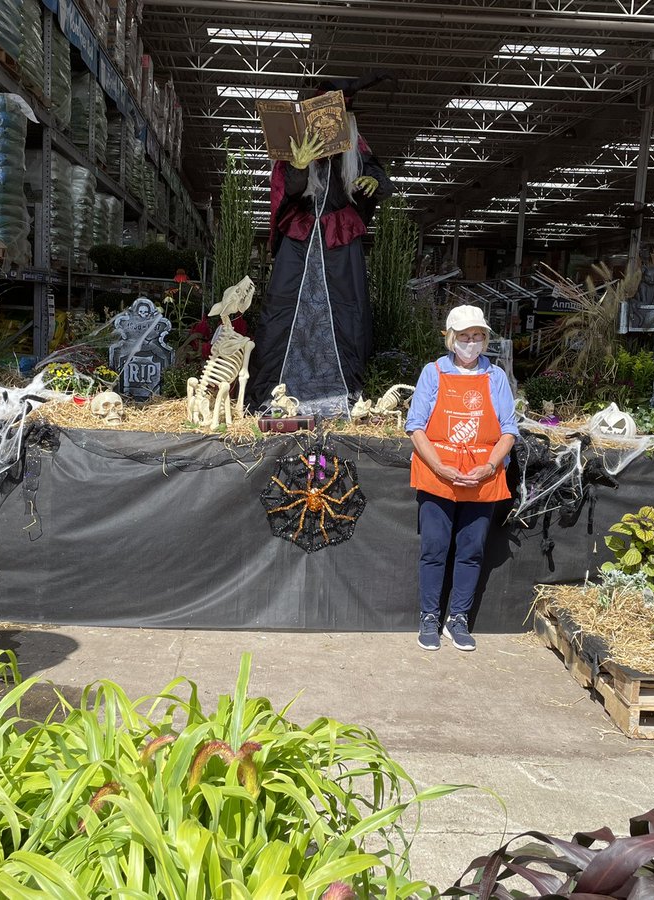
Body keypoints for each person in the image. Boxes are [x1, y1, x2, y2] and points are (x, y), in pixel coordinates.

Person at [248, 72, 396, 418]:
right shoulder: (294, 151)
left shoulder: (357, 149)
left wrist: (371, 182)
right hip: (300, 240)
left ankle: (339, 391)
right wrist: (299, 166)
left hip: (338, 242)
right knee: (284, 309)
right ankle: (277, 391)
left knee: (346, 310)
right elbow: (287, 192)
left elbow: (382, 179)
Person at [404, 306, 519, 651]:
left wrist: (490, 466)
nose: (472, 342)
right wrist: (439, 466)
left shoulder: (496, 377)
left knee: (471, 550)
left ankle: (458, 618)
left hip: (481, 478)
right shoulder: (433, 373)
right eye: (465, 336)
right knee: (434, 549)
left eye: (478, 336)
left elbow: (509, 429)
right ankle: (429, 616)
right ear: (451, 338)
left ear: (485, 339)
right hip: (437, 475)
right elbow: (415, 426)